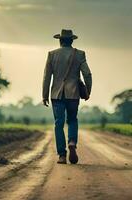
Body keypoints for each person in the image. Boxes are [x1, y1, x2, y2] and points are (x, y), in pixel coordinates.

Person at [42, 29, 92, 164]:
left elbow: (47, 76)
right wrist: (88, 90)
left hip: (56, 95)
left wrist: (44, 95)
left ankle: (62, 155)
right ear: (72, 41)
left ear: (60, 40)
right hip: (73, 94)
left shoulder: (52, 55)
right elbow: (87, 74)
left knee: (59, 123)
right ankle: (72, 142)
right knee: (72, 120)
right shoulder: (80, 54)